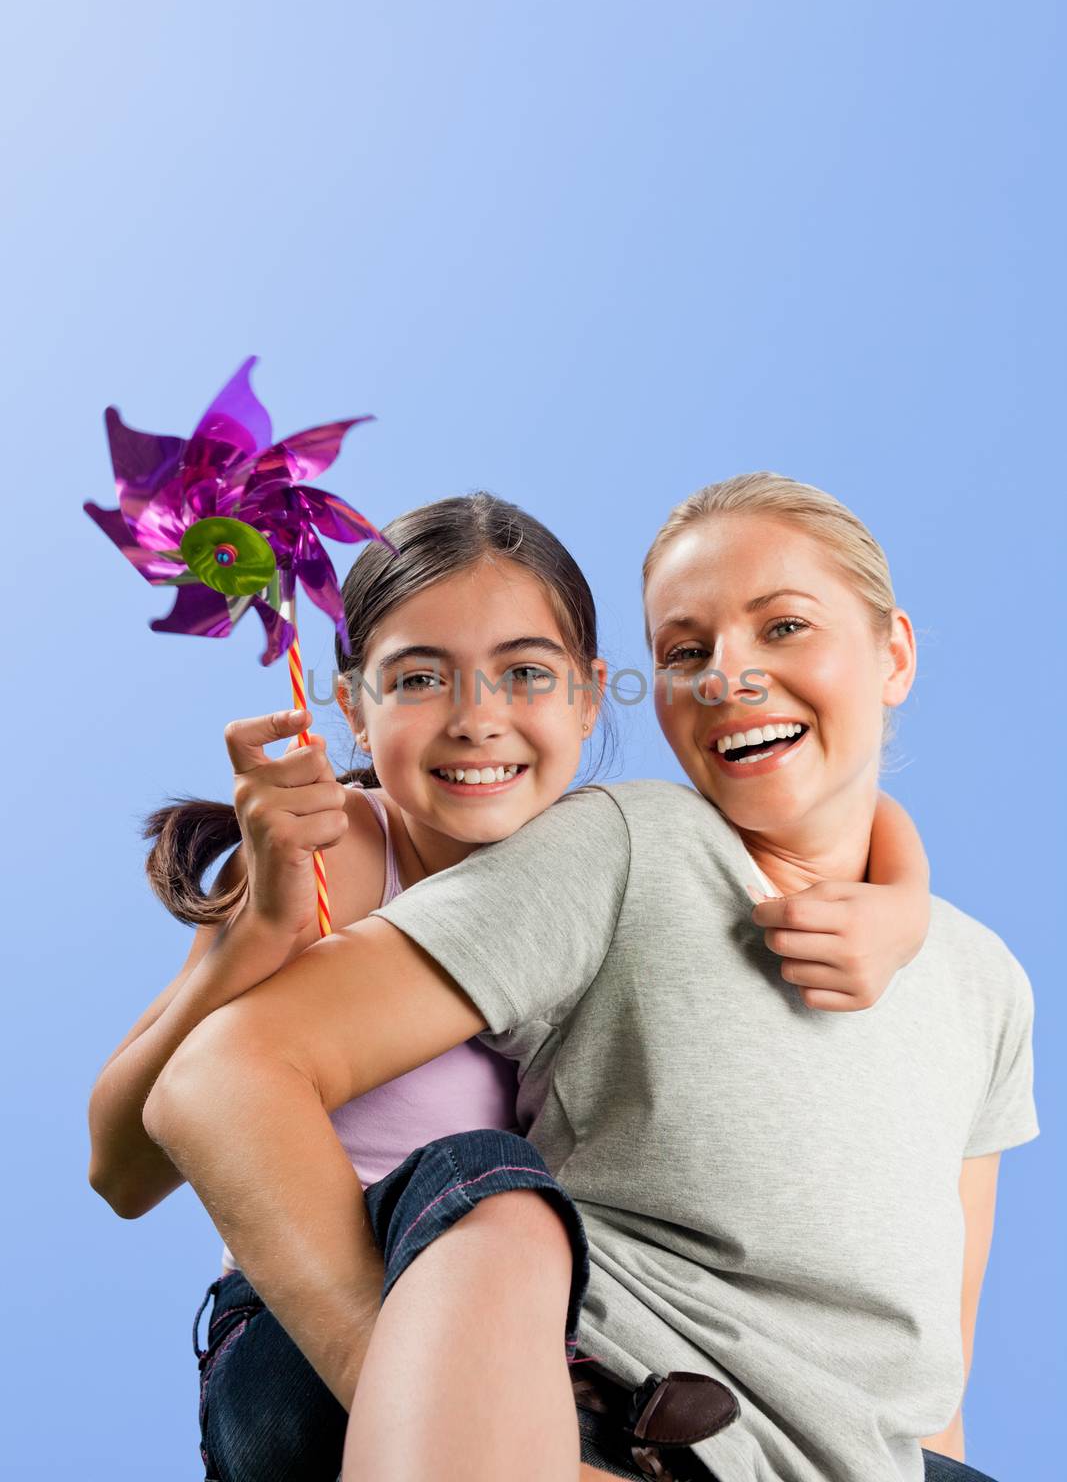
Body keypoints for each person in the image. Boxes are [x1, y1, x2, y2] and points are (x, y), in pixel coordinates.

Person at [137, 476, 957, 1481]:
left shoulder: (590, 857)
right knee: (492, 1183)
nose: (478, 721)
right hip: (332, 1319)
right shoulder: (353, 848)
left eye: (523, 675)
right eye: (687, 651)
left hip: (518, 1323)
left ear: (585, 692)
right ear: (350, 702)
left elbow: (921, 1366)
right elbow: (136, 1144)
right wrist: (260, 928)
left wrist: (904, 898)